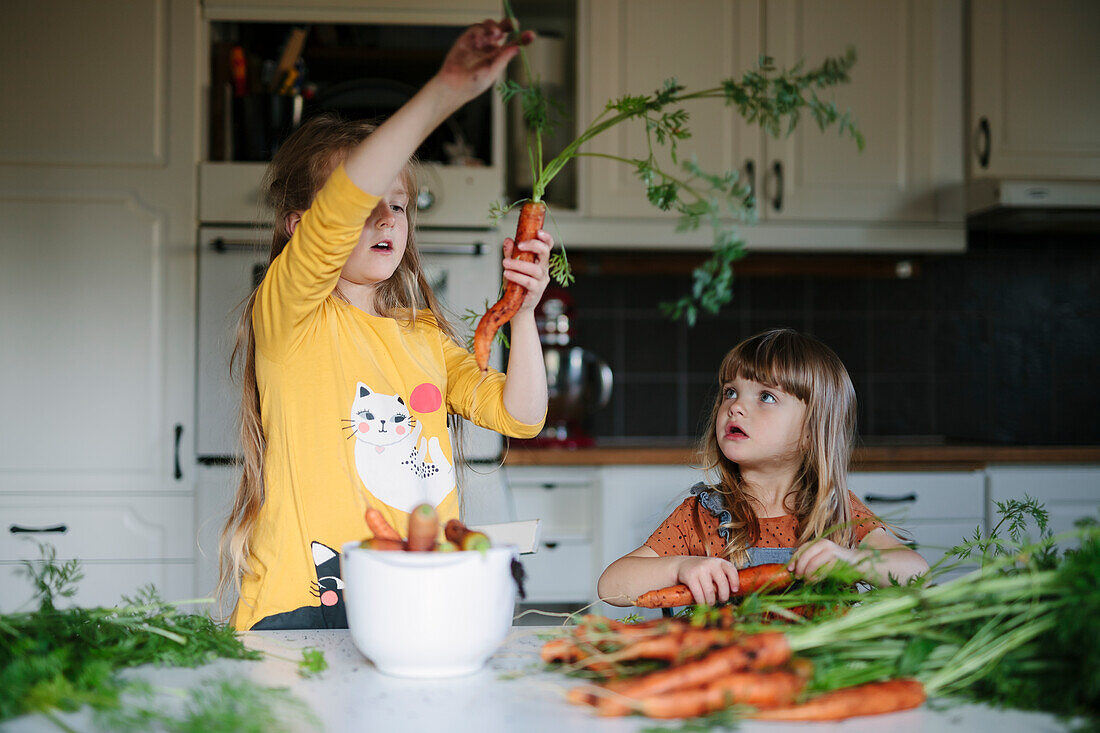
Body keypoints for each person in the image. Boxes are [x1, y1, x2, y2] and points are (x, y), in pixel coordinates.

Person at [217, 19, 549, 631]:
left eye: (397, 205)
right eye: (362, 210)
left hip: (416, 602)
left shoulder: (423, 338)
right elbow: (340, 206)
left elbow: (521, 416)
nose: (385, 218)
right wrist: (445, 92)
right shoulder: (291, 317)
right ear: (301, 228)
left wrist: (523, 316)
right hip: (300, 608)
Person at [598, 328, 928, 607]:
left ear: (812, 431)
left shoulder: (837, 512)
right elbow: (611, 585)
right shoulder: (701, 515)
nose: (735, 406)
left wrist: (853, 563)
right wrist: (680, 568)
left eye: (766, 397)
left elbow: (917, 574)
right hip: (729, 672)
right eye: (730, 392)